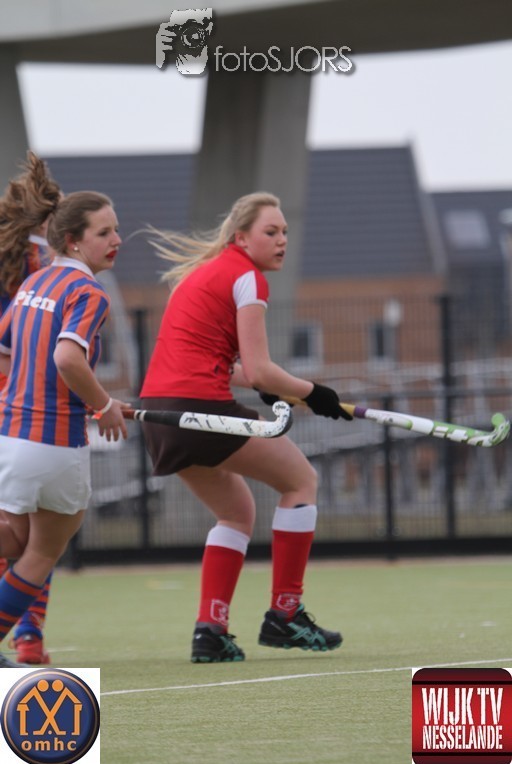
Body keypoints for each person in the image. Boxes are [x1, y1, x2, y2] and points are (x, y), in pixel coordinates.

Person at [140, 191, 352, 663]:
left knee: (236, 513)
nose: (281, 241)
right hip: (201, 409)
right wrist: (314, 392)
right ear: (241, 238)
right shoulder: (247, 278)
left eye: (285, 232)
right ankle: (286, 615)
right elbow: (260, 370)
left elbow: (229, 367)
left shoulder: (202, 275)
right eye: (270, 232)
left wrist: (281, 390)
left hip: (161, 415)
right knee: (301, 481)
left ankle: (210, 631)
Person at [0, 190, 128, 668]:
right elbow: (68, 358)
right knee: (41, 553)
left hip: (10, 437)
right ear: (73, 240)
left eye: (116, 230)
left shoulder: (34, 283)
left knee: (15, 542)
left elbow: (5, 353)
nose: (116, 240)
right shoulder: (88, 292)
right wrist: (103, 405)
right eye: (104, 232)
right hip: (53, 445)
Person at [0, 152, 61, 664]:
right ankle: (27, 635)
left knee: (14, 529)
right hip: (25, 407)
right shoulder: (51, 266)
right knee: (43, 530)